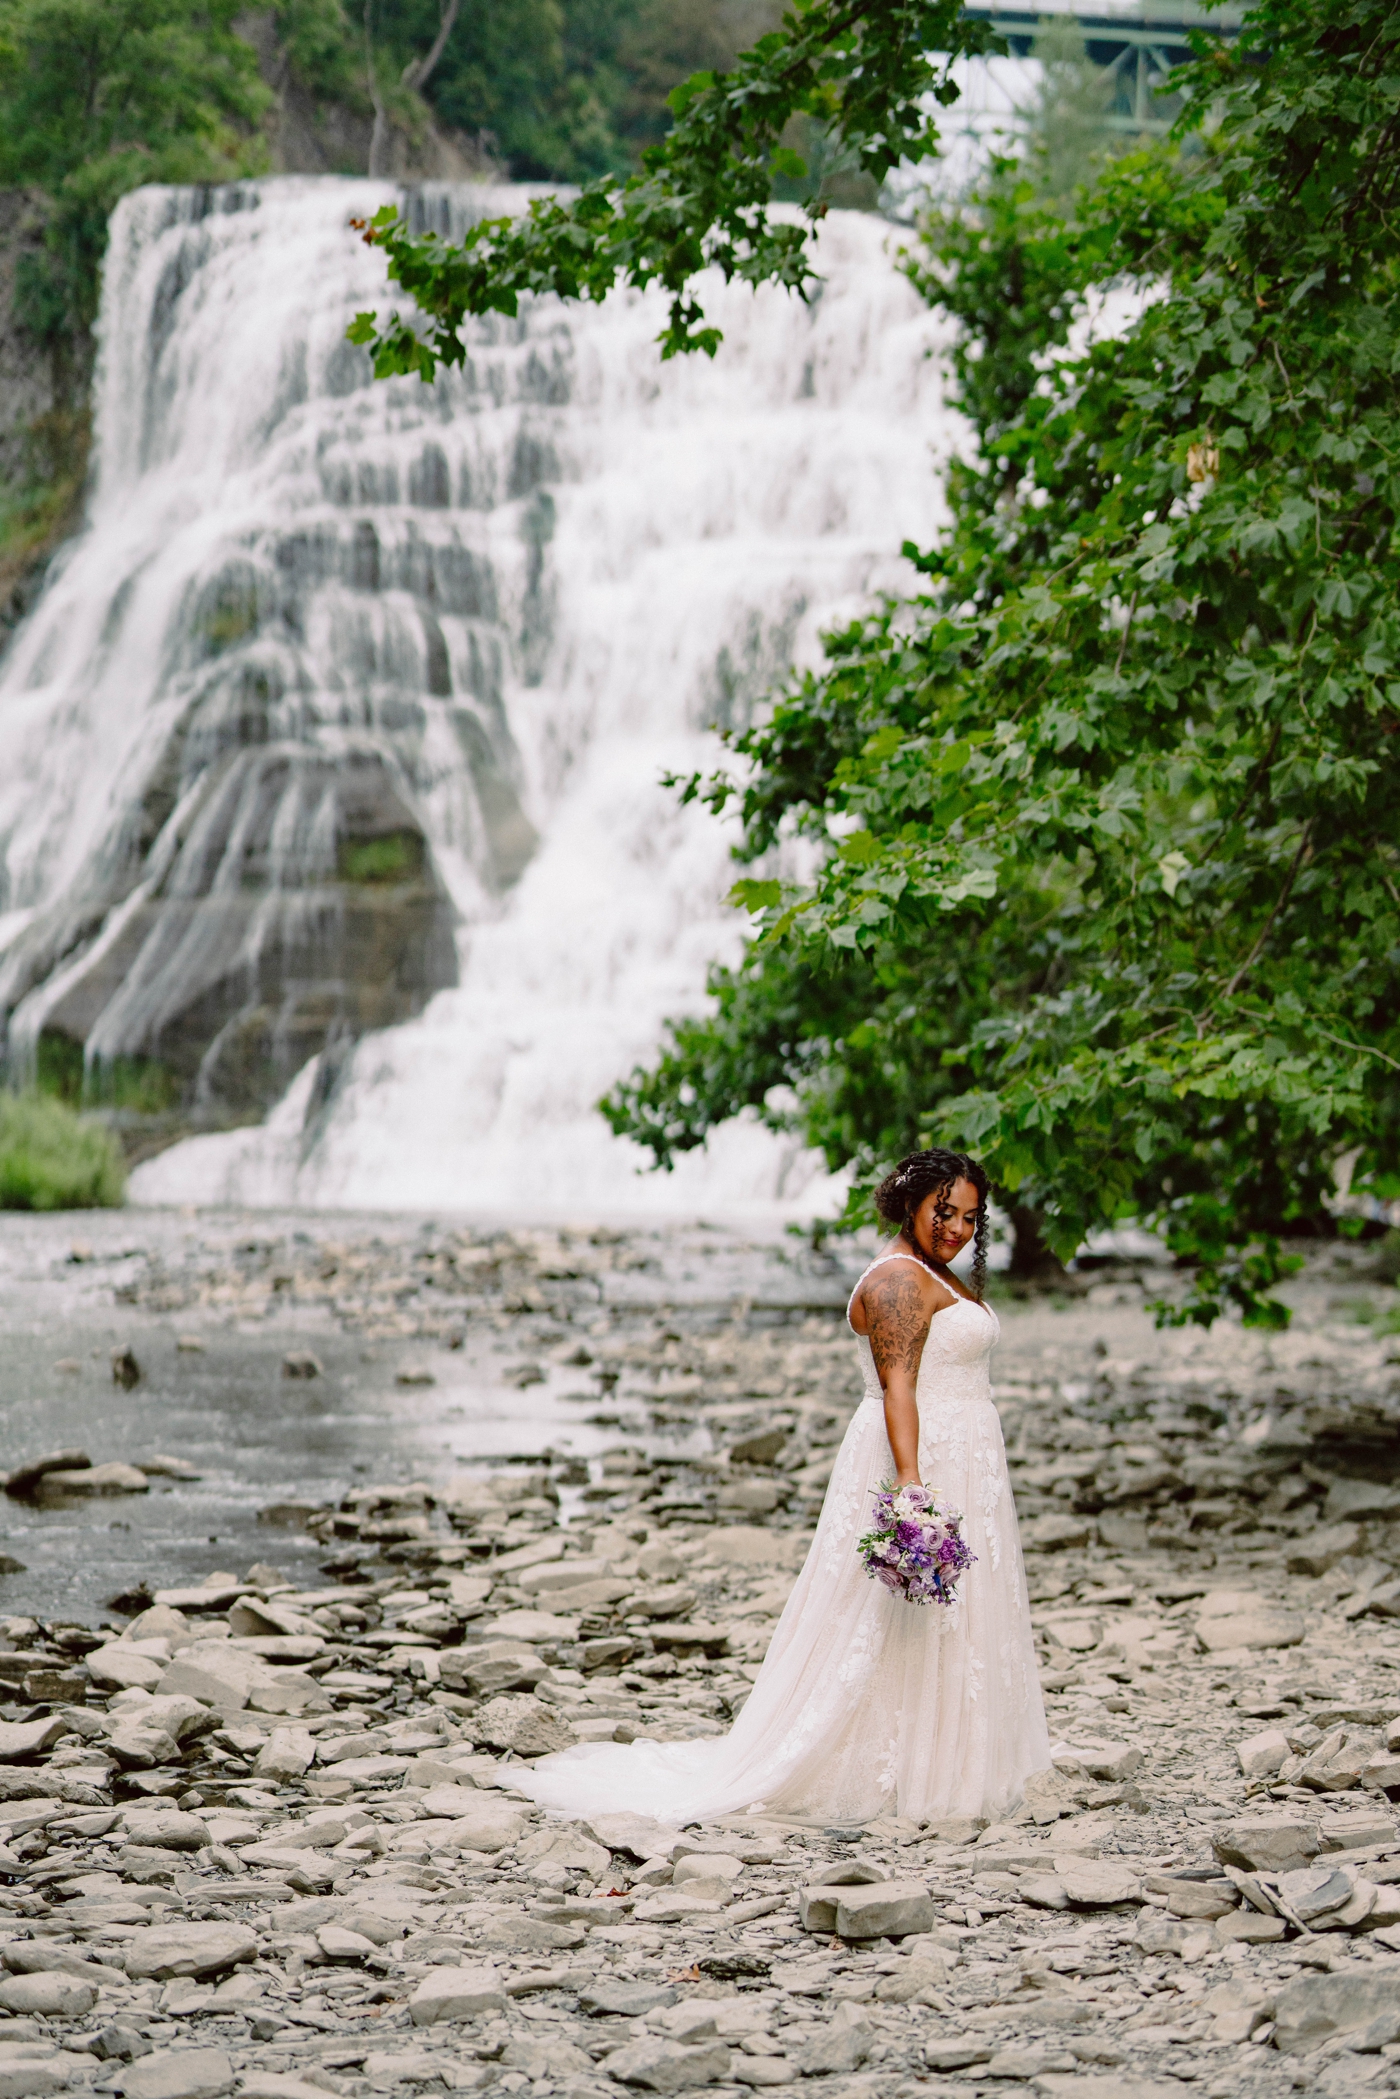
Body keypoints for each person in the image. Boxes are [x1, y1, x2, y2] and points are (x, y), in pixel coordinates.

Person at [512, 1147, 1050, 1824]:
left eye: (971, 1217)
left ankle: (948, 1755)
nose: (957, 1228)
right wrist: (913, 1484)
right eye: (944, 1210)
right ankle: (893, 1766)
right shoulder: (897, 1282)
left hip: (964, 1453)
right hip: (925, 1452)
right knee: (891, 1615)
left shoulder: (930, 1272)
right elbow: (899, 1388)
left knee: (941, 1615)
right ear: (909, 1200)